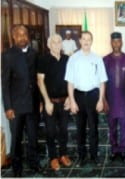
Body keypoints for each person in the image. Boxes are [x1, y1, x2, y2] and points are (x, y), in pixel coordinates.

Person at [1, 25, 41, 177]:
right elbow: (5, 84)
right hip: (16, 107)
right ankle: (17, 169)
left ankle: (34, 164)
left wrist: (41, 101)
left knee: (33, 137)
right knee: (16, 139)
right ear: (13, 37)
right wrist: (8, 107)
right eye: (19, 34)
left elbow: (36, 80)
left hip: (32, 104)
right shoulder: (7, 55)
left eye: (24, 34)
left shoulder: (34, 53)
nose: (22, 37)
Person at [64, 31, 108, 167]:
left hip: (93, 96)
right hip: (78, 96)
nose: (86, 41)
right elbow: (70, 82)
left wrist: (101, 99)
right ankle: (82, 157)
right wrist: (72, 100)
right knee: (80, 129)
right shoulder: (73, 59)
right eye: (84, 39)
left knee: (94, 128)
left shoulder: (97, 59)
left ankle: (94, 156)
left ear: (92, 41)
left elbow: (102, 81)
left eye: (89, 39)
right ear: (80, 41)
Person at [37, 34, 72, 171]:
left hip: (64, 102)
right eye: (54, 42)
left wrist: (70, 97)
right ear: (49, 45)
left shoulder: (67, 59)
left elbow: (71, 80)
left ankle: (63, 155)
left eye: (59, 42)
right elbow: (40, 81)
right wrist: (46, 101)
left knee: (63, 130)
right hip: (50, 102)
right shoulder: (43, 59)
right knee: (50, 131)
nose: (57, 44)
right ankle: (53, 158)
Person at [103, 32, 125, 163]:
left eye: (118, 41)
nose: (116, 44)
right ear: (111, 42)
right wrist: (103, 99)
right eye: (114, 41)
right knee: (112, 127)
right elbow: (102, 81)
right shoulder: (105, 60)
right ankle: (114, 151)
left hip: (124, 100)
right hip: (110, 100)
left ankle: (123, 151)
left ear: (122, 42)